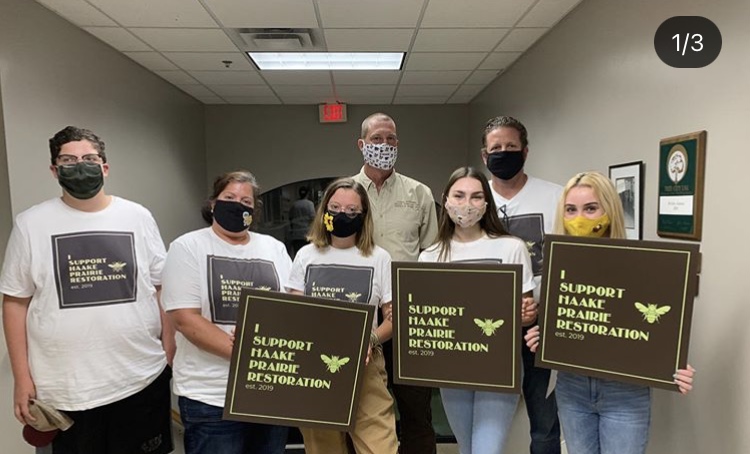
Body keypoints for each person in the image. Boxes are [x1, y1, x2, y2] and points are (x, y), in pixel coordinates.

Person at [0, 126, 174, 454]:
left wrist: (168, 347)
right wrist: (22, 379)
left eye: (89, 159)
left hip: (140, 377)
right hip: (65, 389)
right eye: (68, 160)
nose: (80, 166)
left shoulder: (137, 216)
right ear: (54, 170)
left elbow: (161, 285)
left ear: (104, 167)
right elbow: (14, 302)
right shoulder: (31, 224)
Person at [525, 171, 696, 454]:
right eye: (571, 210)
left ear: (609, 210)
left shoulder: (642, 265)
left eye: (591, 208)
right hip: (572, 388)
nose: (580, 217)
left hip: (625, 393)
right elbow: (569, 321)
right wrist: (544, 337)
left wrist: (674, 364)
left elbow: (654, 326)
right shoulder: (558, 266)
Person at [161, 170, 291, 454]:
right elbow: (185, 318)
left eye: (246, 201)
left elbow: (290, 309)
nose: (237, 205)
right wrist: (251, 353)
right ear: (212, 204)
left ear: (254, 211)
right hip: (210, 396)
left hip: (269, 392)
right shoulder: (187, 247)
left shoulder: (274, 248)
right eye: (229, 197)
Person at [419, 167, 537, 454]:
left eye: (476, 197)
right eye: (459, 195)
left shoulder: (511, 248)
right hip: (452, 371)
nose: (467, 205)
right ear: (446, 200)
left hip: (498, 368)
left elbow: (526, 312)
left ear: (486, 204)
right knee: (468, 448)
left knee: (487, 450)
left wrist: (527, 316)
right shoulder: (430, 256)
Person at [287, 178, 398, 454]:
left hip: (366, 363)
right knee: (324, 448)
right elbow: (293, 313)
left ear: (363, 217)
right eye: (334, 207)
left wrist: (370, 338)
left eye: (351, 211)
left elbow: (393, 319)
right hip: (314, 365)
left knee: (380, 448)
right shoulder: (306, 256)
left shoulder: (379, 257)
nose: (341, 215)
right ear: (324, 210)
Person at [352, 112, 438, 454]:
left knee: (416, 408)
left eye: (390, 139)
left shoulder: (419, 193)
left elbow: (432, 254)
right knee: (357, 405)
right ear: (362, 145)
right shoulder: (346, 193)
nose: (384, 145)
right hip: (359, 314)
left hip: (407, 315)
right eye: (376, 139)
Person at [480, 116, 561, 453]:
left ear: (525, 152)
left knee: (544, 421)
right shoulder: (473, 199)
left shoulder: (555, 197)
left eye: (510, 147)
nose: (503, 153)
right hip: (486, 326)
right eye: (495, 148)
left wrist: (544, 309)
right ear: (484, 156)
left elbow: (567, 264)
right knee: (486, 418)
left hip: (538, 328)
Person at [288, 186, 316, 255]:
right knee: (308, 254)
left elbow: (290, 218)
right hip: (306, 234)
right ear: (307, 194)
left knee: (298, 254)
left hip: (296, 235)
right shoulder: (310, 204)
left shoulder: (294, 205)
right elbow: (313, 219)